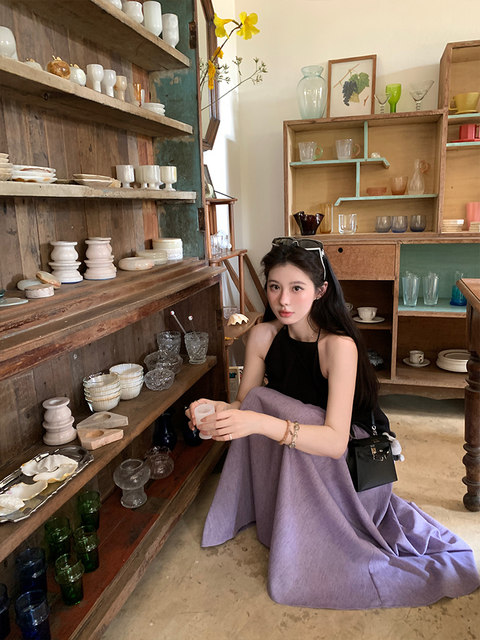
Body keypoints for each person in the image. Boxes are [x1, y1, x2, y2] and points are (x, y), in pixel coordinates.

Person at [187, 237, 480, 610]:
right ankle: (287, 510)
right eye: (275, 287)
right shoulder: (262, 335)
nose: (283, 300)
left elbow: (334, 441)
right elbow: (246, 405)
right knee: (260, 402)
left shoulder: (338, 346)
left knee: (286, 413)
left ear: (321, 290)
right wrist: (215, 411)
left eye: (297, 288)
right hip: (302, 450)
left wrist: (255, 420)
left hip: (353, 464)